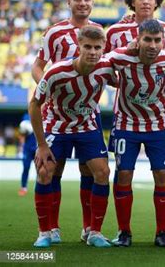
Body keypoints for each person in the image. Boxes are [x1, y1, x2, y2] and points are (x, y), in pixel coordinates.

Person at [29, 26, 116, 248]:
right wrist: (41, 145)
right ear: (79, 46)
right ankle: (45, 232)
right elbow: (34, 104)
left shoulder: (107, 68)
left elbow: (128, 71)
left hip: (87, 127)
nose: (93, 52)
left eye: (97, 47)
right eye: (87, 46)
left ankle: (94, 232)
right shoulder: (56, 72)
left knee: (103, 172)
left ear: (103, 48)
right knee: (45, 171)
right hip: (57, 127)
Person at [30, 0, 100, 243]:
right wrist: (49, 87)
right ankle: (52, 229)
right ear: (69, 2)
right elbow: (38, 67)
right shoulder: (54, 33)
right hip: (56, 114)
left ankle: (87, 229)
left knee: (89, 171)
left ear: (92, 3)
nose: (83, 3)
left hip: (85, 114)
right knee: (51, 170)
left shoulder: (98, 31)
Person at [108, 19, 165, 248]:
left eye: (157, 40)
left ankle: (162, 232)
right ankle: (124, 233)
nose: (152, 45)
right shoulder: (120, 57)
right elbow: (102, 65)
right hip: (126, 124)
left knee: (162, 175)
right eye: (147, 40)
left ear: (163, 41)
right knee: (123, 175)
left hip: (158, 125)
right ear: (138, 40)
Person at [18, 113, 36, 196]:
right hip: (27, 149)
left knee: (40, 170)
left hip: (38, 148)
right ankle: (23, 187)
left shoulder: (43, 114)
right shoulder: (26, 116)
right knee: (26, 167)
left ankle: (39, 188)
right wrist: (22, 146)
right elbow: (22, 133)